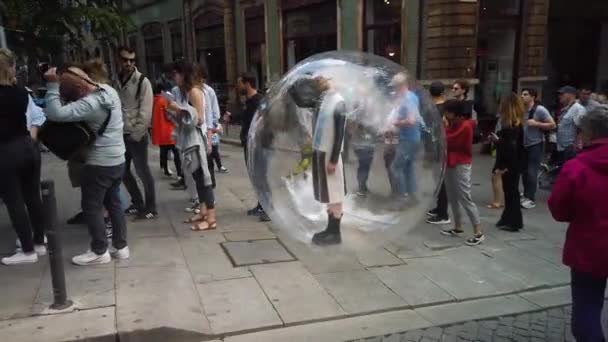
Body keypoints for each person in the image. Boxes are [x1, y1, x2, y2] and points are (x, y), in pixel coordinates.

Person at [44, 66, 128, 266]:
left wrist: (53, 86)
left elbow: (55, 113)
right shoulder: (109, 91)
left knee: (91, 207)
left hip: (99, 163)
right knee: (114, 203)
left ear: (79, 90)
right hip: (118, 159)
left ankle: (99, 250)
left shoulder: (89, 104)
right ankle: (120, 246)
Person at [548, 107, 608, 342]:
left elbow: (558, 209)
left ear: (587, 133)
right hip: (590, 249)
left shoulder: (577, 167)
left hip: (589, 250)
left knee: (587, 312)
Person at [288, 75, 347, 246]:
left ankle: (335, 233)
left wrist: (334, 160)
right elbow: (304, 103)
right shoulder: (325, 99)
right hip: (321, 152)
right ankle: (330, 229)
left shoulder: (338, 102)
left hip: (329, 154)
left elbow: (339, 135)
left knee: (335, 194)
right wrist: (291, 88)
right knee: (328, 193)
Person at [0, 48, 46, 265]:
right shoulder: (20, 91)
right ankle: (38, 242)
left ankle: (27, 251)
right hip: (28, 146)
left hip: (6, 150)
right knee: (33, 196)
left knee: (14, 200)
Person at [167, 60, 217, 231]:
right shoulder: (187, 92)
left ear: (183, 74)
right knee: (197, 178)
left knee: (203, 178)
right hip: (191, 139)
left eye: (175, 73)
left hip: (197, 140)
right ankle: (203, 211)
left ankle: (211, 218)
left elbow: (199, 119)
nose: (174, 77)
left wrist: (178, 109)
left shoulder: (195, 91)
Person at [115, 46, 157, 219]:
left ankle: (151, 207)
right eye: (125, 60)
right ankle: (137, 202)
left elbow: (146, 111)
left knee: (142, 171)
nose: (129, 63)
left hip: (135, 134)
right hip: (120, 133)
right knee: (122, 171)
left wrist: (137, 133)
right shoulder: (115, 79)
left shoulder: (142, 81)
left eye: (132, 60)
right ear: (119, 60)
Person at [440, 100, 484, 246]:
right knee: (452, 196)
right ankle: (458, 227)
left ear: (454, 113)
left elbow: (449, 141)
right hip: (450, 162)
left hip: (461, 164)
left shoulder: (465, 126)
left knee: (465, 196)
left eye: (447, 112)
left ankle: (478, 231)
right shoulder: (453, 125)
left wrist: (444, 128)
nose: (445, 114)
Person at [224, 72, 267, 219]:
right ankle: (261, 205)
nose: (237, 86)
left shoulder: (258, 101)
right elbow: (245, 117)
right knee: (256, 176)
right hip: (249, 143)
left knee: (261, 176)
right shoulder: (250, 102)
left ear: (247, 83)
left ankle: (267, 209)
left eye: (239, 82)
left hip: (257, 145)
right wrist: (231, 118)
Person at [390, 72, 425, 203]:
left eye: (394, 86)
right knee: (408, 167)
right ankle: (412, 196)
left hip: (408, 139)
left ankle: (402, 198)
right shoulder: (412, 96)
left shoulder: (407, 98)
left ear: (399, 85)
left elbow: (411, 120)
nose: (394, 89)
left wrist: (395, 122)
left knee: (396, 167)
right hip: (413, 138)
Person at [520, 88, 555, 209]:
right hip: (523, 144)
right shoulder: (522, 108)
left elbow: (552, 124)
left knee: (531, 171)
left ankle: (530, 198)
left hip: (535, 144)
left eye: (525, 94)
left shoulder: (539, 109)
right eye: (522, 94)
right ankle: (526, 194)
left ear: (533, 97)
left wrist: (537, 124)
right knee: (524, 171)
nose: (522, 96)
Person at [494, 93, 525, 232]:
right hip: (512, 162)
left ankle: (514, 221)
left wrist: (498, 141)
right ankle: (507, 217)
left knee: (512, 192)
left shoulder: (513, 126)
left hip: (511, 164)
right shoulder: (512, 125)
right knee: (509, 191)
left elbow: (510, 148)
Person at [426, 81, 450, 225]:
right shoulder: (446, 106)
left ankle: (443, 214)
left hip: (437, 146)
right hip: (440, 145)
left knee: (440, 180)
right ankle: (439, 208)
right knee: (439, 179)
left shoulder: (432, 108)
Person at [151, 82, 182, 178]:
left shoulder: (153, 100)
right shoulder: (164, 100)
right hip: (169, 131)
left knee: (163, 151)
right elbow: (169, 115)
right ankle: (180, 173)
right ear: (162, 91)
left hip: (159, 132)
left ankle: (165, 169)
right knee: (176, 152)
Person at [555, 85, 586, 165]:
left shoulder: (578, 109)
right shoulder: (566, 108)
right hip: (562, 149)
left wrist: (576, 146)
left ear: (571, 95)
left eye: (562, 94)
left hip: (571, 150)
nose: (559, 96)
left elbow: (582, 129)